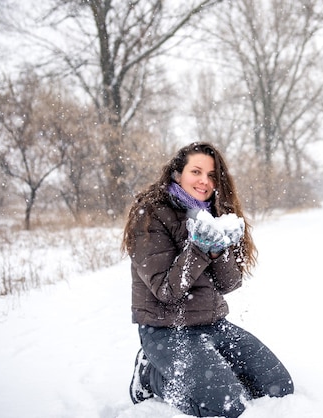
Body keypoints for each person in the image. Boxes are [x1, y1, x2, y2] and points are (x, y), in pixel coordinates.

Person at [121, 142, 294, 417]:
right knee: (224, 407)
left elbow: (229, 284)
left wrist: (220, 250)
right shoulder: (151, 214)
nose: (205, 181)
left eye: (212, 175)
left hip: (212, 325)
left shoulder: (213, 212)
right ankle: (151, 375)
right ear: (177, 174)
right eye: (196, 171)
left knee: (279, 388)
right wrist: (199, 248)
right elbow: (166, 291)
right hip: (166, 330)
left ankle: (211, 367)